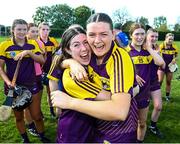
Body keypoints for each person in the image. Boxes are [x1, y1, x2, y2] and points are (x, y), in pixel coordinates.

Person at [51, 13, 138, 143]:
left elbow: (119, 111)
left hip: (119, 133)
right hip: (92, 129)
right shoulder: (88, 56)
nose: (97, 41)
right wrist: (70, 63)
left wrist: (70, 102)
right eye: (91, 35)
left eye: (103, 34)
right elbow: (59, 59)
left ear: (113, 34)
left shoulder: (118, 58)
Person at [0, 19, 50, 143]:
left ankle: (43, 137)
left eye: (24, 29)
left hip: (32, 84)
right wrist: (8, 82)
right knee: (18, 118)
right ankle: (25, 139)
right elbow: (0, 68)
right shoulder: (4, 46)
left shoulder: (33, 44)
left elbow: (42, 61)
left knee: (37, 116)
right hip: (14, 88)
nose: (22, 32)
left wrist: (28, 52)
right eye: (19, 29)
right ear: (13, 30)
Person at [125, 23, 164, 142]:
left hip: (144, 93)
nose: (140, 37)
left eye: (142, 34)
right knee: (126, 124)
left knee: (141, 123)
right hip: (129, 95)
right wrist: (133, 75)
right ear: (131, 35)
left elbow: (160, 63)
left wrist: (150, 48)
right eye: (137, 34)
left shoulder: (147, 51)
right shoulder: (125, 52)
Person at [25, 23, 45, 137]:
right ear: (27, 33)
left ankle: (37, 114)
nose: (35, 34)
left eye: (36, 31)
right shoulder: (24, 44)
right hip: (28, 77)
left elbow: (43, 58)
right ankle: (30, 125)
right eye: (32, 31)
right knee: (27, 104)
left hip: (38, 74)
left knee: (37, 100)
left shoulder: (39, 42)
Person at [146, 28, 165, 138]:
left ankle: (153, 127)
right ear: (147, 36)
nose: (154, 39)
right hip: (142, 82)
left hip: (153, 80)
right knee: (141, 109)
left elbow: (162, 65)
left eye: (156, 37)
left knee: (158, 106)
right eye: (152, 36)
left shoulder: (157, 48)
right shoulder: (141, 48)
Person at [38, 22, 59, 118]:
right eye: (43, 29)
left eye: (47, 29)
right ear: (39, 30)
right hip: (38, 72)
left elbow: (59, 51)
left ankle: (51, 111)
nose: (45, 32)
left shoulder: (53, 41)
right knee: (38, 94)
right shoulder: (35, 42)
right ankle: (38, 112)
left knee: (50, 92)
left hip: (50, 71)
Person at [158, 33, 178, 102]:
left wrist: (175, 59)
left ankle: (167, 96)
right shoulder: (161, 46)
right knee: (159, 81)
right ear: (166, 38)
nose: (170, 40)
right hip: (161, 66)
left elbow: (177, 55)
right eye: (169, 39)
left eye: (172, 39)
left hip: (170, 66)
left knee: (168, 82)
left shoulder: (174, 47)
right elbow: (157, 55)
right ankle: (156, 95)